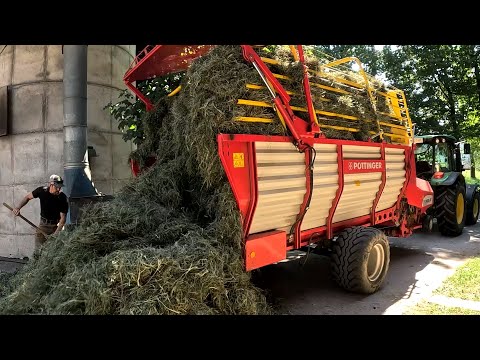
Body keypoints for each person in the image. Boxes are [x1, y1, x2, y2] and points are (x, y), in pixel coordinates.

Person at [13, 174, 69, 250]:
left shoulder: (62, 198)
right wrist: (18, 208)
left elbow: (62, 219)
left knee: (54, 252)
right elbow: (27, 197)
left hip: (56, 227)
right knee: (38, 251)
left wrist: (56, 234)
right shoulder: (42, 191)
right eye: (57, 187)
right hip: (43, 226)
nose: (59, 189)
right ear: (50, 185)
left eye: (60, 187)